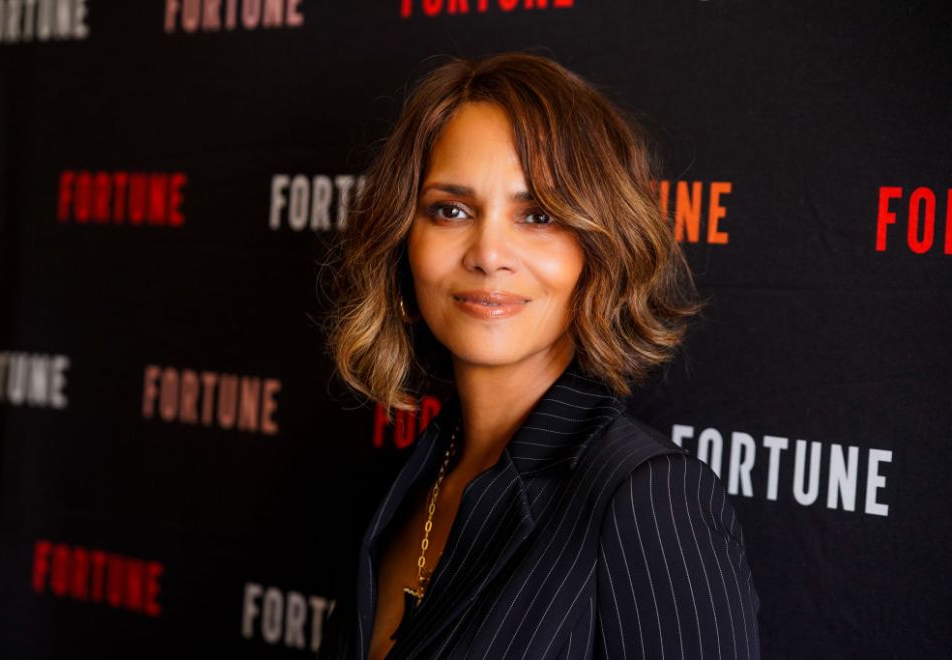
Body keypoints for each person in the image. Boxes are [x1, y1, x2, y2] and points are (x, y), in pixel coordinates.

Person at [319, 51, 760, 659]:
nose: (488, 254)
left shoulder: (648, 497)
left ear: (600, 251)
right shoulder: (407, 480)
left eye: (538, 215)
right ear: (402, 241)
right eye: (451, 210)